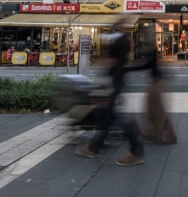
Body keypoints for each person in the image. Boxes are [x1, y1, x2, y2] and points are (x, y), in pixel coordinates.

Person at [75, 20, 145, 165]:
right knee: (108, 116)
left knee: (114, 117)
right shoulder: (121, 40)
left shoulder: (119, 42)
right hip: (115, 81)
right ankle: (93, 147)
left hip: (115, 82)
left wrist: (96, 61)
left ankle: (136, 151)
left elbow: (112, 61)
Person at [141, 48, 177, 145]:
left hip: (156, 86)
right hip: (158, 85)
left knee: (157, 111)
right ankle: (170, 134)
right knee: (160, 111)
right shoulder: (154, 62)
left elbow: (142, 67)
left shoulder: (152, 62)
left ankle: (163, 135)